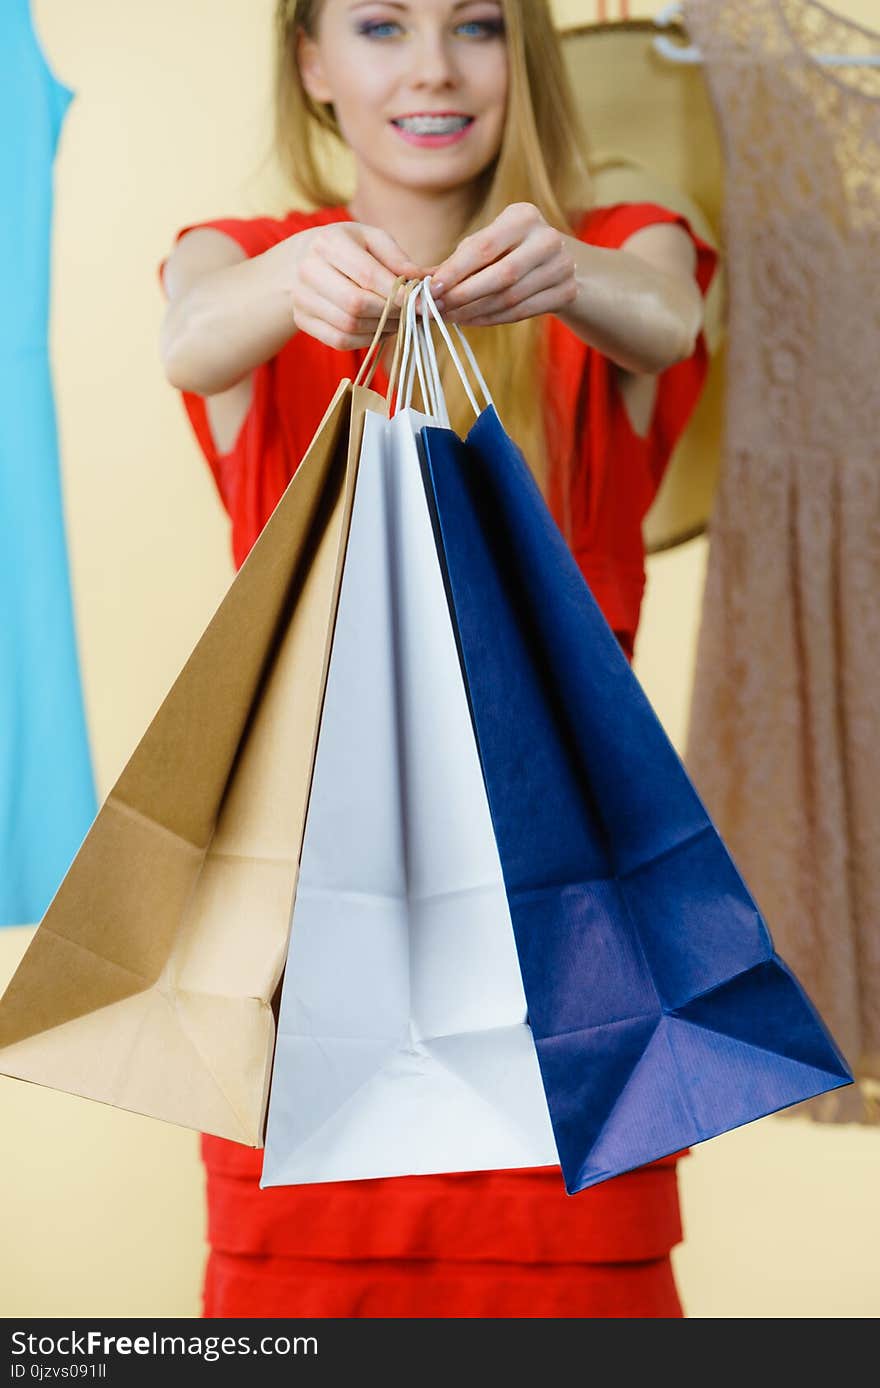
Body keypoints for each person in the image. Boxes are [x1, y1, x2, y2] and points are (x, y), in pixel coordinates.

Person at [158, 0, 719, 1319]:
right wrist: (295, 283)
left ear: (522, 56)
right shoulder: (235, 258)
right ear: (310, 61)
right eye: (378, 24)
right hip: (312, 987)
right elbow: (190, 332)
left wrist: (566, 273)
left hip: (568, 974)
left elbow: (668, 314)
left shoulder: (621, 251)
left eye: (474, 24)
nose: (430, 68)